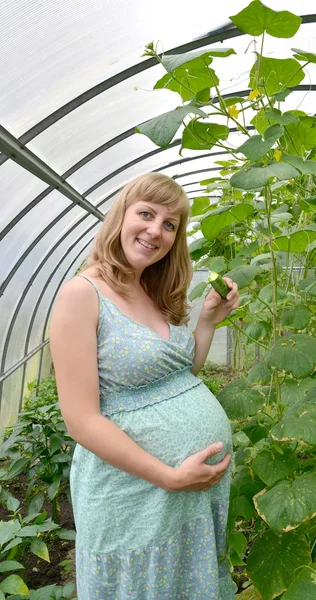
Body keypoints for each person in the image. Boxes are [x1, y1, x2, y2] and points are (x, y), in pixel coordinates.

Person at [49, 172, 240, 600]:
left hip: (185, 493)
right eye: (147, 214)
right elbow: (81, 420)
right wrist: (168, 476)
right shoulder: (82, 294)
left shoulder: (151, 291)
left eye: (170, 224)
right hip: (134, 495)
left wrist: (207, 321)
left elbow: (178, 376)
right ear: (121, 215)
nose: (156, 230)